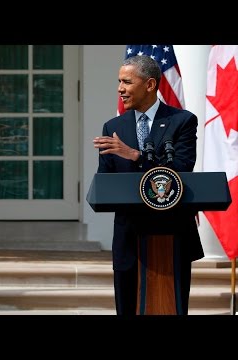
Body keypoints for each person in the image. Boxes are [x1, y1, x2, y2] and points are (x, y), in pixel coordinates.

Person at [92, 55, 204, 315]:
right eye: (119, 81)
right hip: (129, 236)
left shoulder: (182, 121)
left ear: (150, 84)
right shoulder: (114, 126)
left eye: (127, 82)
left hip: (171, 235)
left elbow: (180, 170)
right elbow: (105, 181)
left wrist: (135, 155)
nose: (120, 88)